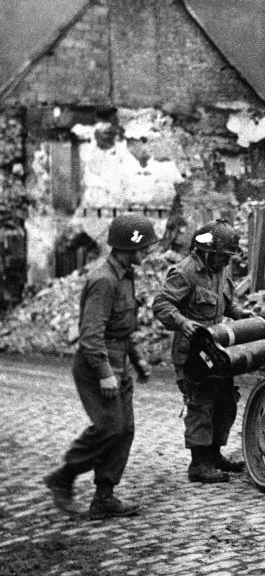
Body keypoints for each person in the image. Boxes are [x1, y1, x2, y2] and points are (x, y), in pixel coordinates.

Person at [43, 214, 158, 518]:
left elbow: (122, 328)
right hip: (97, 364)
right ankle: (63, 476)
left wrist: (138, 360)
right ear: (127, 247)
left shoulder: (126, 276)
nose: (147, 252)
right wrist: (106, 374)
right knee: (110, 427)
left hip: (119, 359)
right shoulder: (103, 280)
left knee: (125, 430)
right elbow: (92, 334)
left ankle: (104, 497)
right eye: (143, 246)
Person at [152, 220, 253, 483]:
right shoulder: (185, 272)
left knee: (225, 403)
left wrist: (242, 315)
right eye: (223, 256)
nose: (226, 261)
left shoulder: (221, 271)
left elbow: (227, 305)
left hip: (219, 349)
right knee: (201, 404)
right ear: (207, 250)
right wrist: (183, 323)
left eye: (228, 257)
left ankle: (214, 455)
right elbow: (161, 304)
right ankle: (199, 464)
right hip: (193, 352)